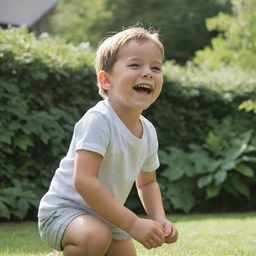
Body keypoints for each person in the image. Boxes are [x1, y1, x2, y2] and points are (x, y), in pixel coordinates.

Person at [38, 25, 178, 256]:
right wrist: (133, 223)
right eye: (135, 65)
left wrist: (159, 219)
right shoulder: (99, 120)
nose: (148, 73)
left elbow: (147, 183)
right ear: (106, 80)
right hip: (64, 211)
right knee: (94, 237)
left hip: (107, 215)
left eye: (156, 67)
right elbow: (84, 181)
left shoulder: (149, 131)